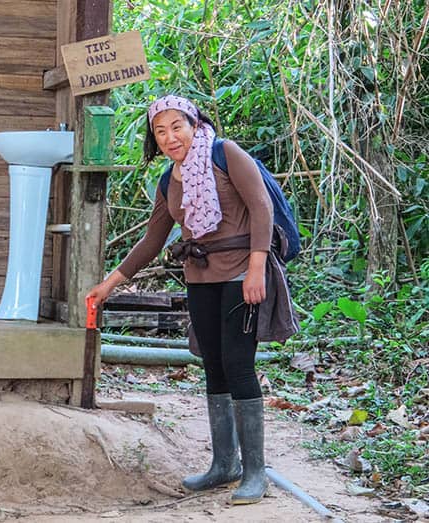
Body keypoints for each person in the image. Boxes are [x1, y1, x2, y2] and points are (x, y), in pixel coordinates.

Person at [86, 94, 290, 504]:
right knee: (212, 364)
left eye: (176, 126)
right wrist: (108, 285)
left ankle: (254, 473)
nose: (169, 137)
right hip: (199, 277)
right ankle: (223, 465)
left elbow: (262, 208)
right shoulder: (169, 180)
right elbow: (152, 240)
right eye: (160, 131)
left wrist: (256, 269)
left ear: (194, 124)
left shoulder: (225, 154)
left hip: (239, 273)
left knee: (237, 363)